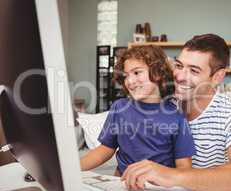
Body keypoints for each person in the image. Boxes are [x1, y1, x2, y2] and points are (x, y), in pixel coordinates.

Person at [121, 34, 231, 191]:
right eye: (178, 66)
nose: (180, 77)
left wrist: (173, 176)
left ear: (217, 77)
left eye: (194, 70)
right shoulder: (161, 100)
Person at [80, 45, 195, 176]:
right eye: (125, 76)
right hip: (123, 185)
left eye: (136, 72)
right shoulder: (120, 108)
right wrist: (71, 168)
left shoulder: (177, 117)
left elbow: (185, 169)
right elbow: (105, 149)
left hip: (159, 189)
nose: (130, 81)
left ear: (157, 73)